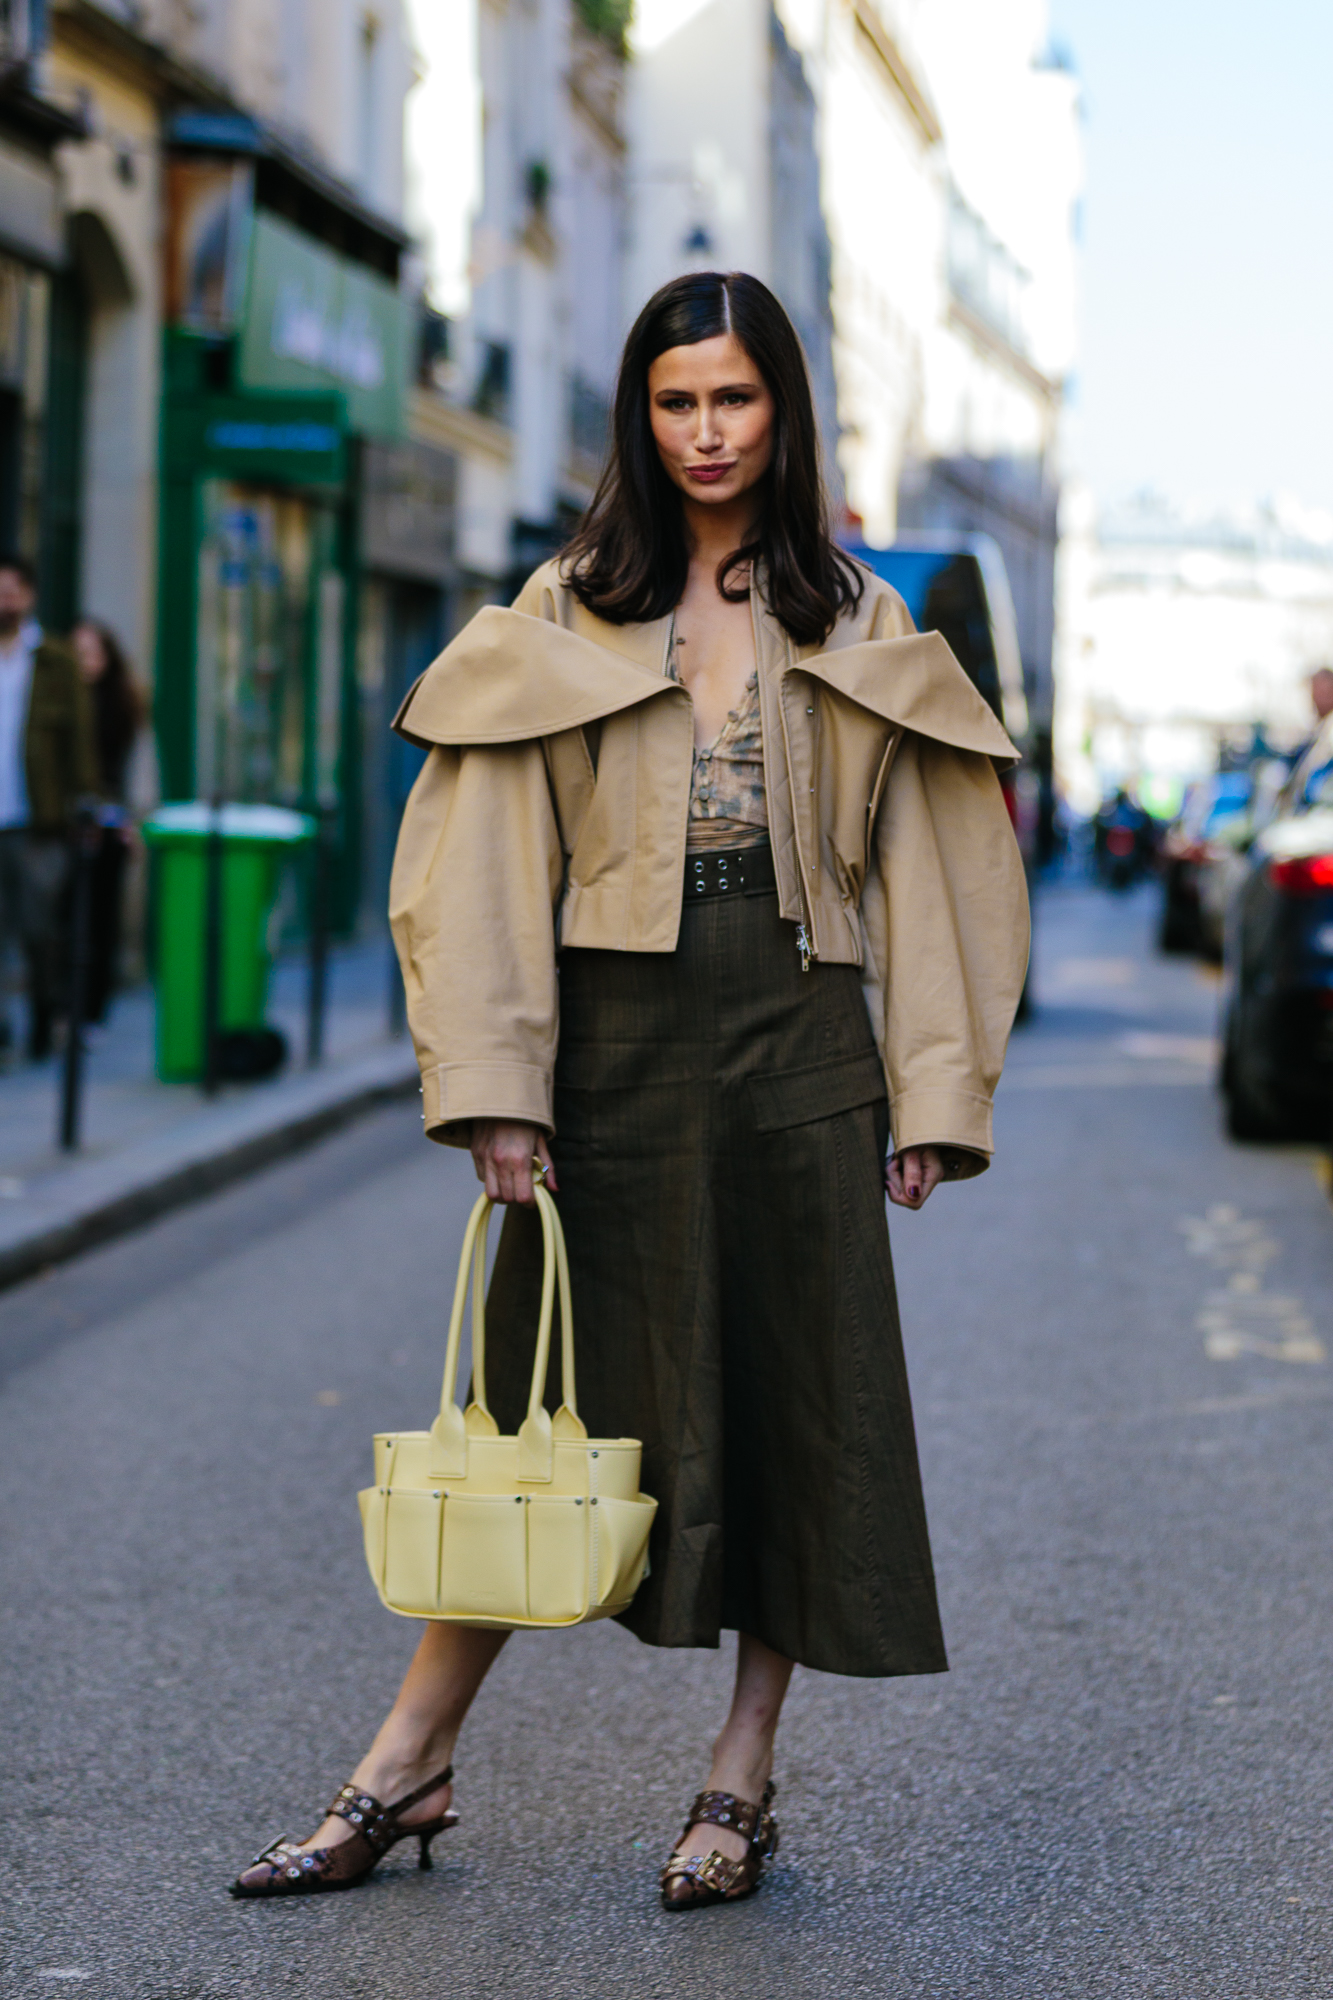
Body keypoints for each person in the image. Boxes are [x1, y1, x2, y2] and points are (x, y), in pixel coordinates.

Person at [231, 273, 1029, 1909]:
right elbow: (474, 860)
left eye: (732, 399)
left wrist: (929, 1089)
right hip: (607, 1043)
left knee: (799, 1408)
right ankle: (408, 1759)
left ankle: (738, 1777)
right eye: (674, 402)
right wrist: (497, 1083)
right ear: (637, 416)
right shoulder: (566, 601)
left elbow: (940, 859)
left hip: (802, 1035)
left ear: (782, 409)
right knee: (543, 1413)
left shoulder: (861, 619)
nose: (706, 432)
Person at [0, 556, 99, 1058]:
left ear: (30, 596)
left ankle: (44, 1015)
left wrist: (85, 808)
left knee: (40, 930)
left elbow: (80, 742)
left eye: (13, 590)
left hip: (37, 819)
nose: (5, 599)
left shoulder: (55, 660)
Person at [69, 619, 143, 1024]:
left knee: (101, 922)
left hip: (112, 825)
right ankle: (65, 1009)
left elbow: (137, 769)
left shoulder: (123, 704)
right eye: (78, 654)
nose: (86, 663)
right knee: (64, 922)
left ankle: (92, 1012)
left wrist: (134, 821)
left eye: (93, 653)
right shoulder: (57, 702)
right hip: (65, 826)